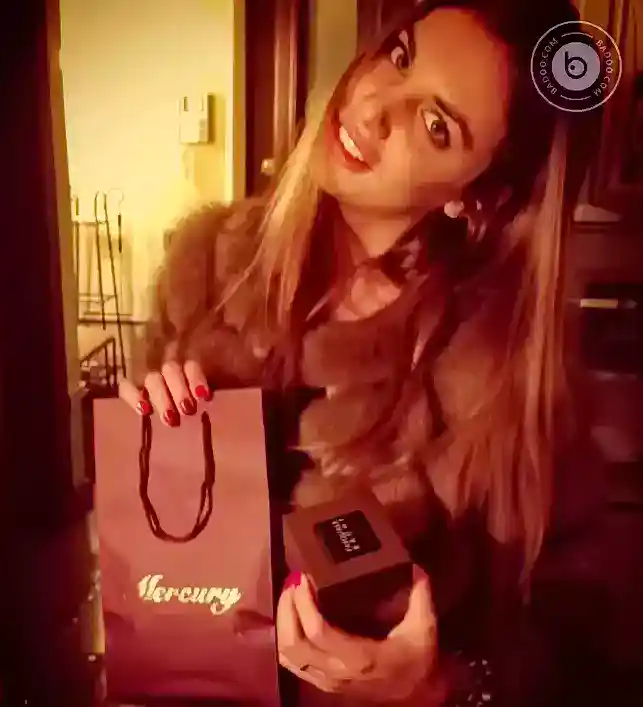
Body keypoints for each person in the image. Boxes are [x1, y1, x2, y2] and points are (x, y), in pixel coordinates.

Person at [119, 0, 611, 704]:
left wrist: (437, 684)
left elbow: (575, 637)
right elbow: (150, 564)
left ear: (477, 196)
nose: (373, 106)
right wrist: (149, 440)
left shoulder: (503, 378)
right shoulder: (204, 274)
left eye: (435, 124)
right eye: (398, 56)